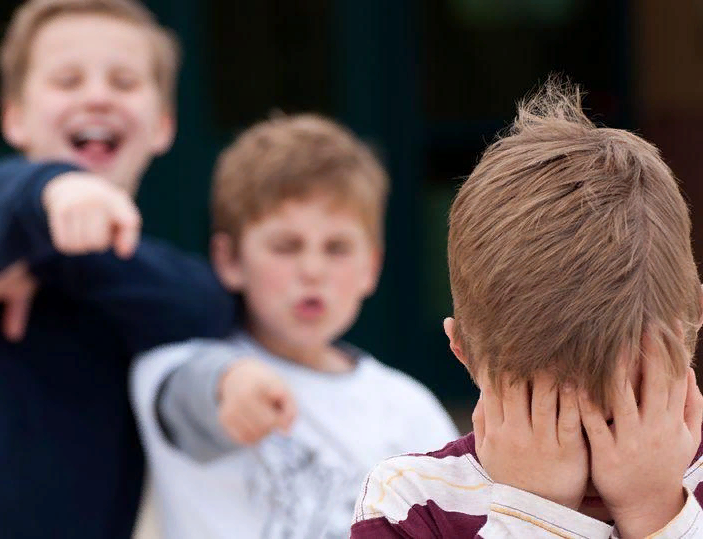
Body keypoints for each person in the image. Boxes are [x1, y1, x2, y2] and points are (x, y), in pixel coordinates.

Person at [350, 79, 703, 538]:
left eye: (621, 413)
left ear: (695, 316)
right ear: (463, 350)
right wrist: (533, 514)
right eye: (552, 415)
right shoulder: (408, 503)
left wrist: (658, 512)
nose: (598, 459)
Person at [0, 1, 235, 537]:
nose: (97, 95)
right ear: (13, 116)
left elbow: (205, 305)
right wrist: (51, 192)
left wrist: (50, 263)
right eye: (67, 80)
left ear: (163, 126)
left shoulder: (153, 281)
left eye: (124, 81)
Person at [131, 113, 460, 539]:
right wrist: (226, 382)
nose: (312, 270)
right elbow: (184, 395)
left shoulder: (411, 409)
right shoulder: (177, 362)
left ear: (371, 266)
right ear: (230, 260)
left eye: (337, 248)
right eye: (286, 246)